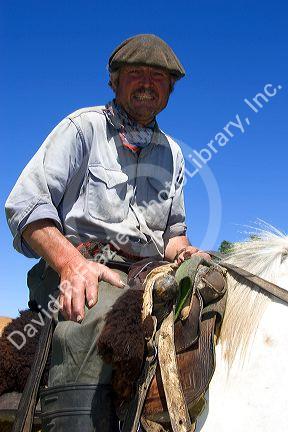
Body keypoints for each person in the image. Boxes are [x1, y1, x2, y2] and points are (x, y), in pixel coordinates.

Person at [5, 34, 210, 431]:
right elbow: (25, 203)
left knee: (212, 306)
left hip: (148, 273)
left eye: (159, 77)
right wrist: (71, 264)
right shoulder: (82, 129)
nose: (148, 83)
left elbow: (172, 235)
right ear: (114, 81)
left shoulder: (173, 153)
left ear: (170, 89)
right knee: (92, 324)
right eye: (136, 74)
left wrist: (186, 253)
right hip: (80, 265)